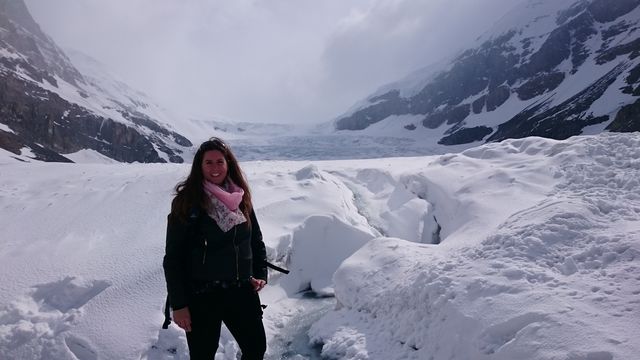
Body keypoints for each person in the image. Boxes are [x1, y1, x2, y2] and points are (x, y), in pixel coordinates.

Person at [163, 137, 268, 359]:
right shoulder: (187, 201)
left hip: (240, 290)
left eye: (219, 161)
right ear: (199, 167)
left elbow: (254, 239)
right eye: (208, 162)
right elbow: (173, 258)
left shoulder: (240, 197)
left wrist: (259, 274)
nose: (215, 168)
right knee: (203, 355)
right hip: (202, 294)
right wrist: (179, 304)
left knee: (256, 348)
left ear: (228, 163)